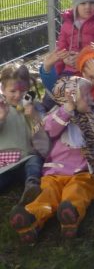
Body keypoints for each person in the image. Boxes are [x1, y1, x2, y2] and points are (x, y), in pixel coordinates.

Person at [8, 77, 94, 243]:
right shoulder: (54, 116)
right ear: (69, 99)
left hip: (84, 172)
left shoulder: (93, 116)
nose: (90, 99)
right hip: (54, 172)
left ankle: (70, 213)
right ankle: (31, 216)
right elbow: (49, 130)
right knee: (47, 194)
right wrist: (67, 110)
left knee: (77, 190)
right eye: (85, 96)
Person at [0, 63, 46, 202]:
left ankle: (31, 185)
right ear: (3, 89)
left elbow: (43, 133)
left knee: (34, 162)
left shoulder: (34, 105)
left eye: (23, 91)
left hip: (27, 158)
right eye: (12, 91)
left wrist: (34, 116)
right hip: (5, 162)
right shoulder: (1, 107)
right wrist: (1, 118)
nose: (18, 95)